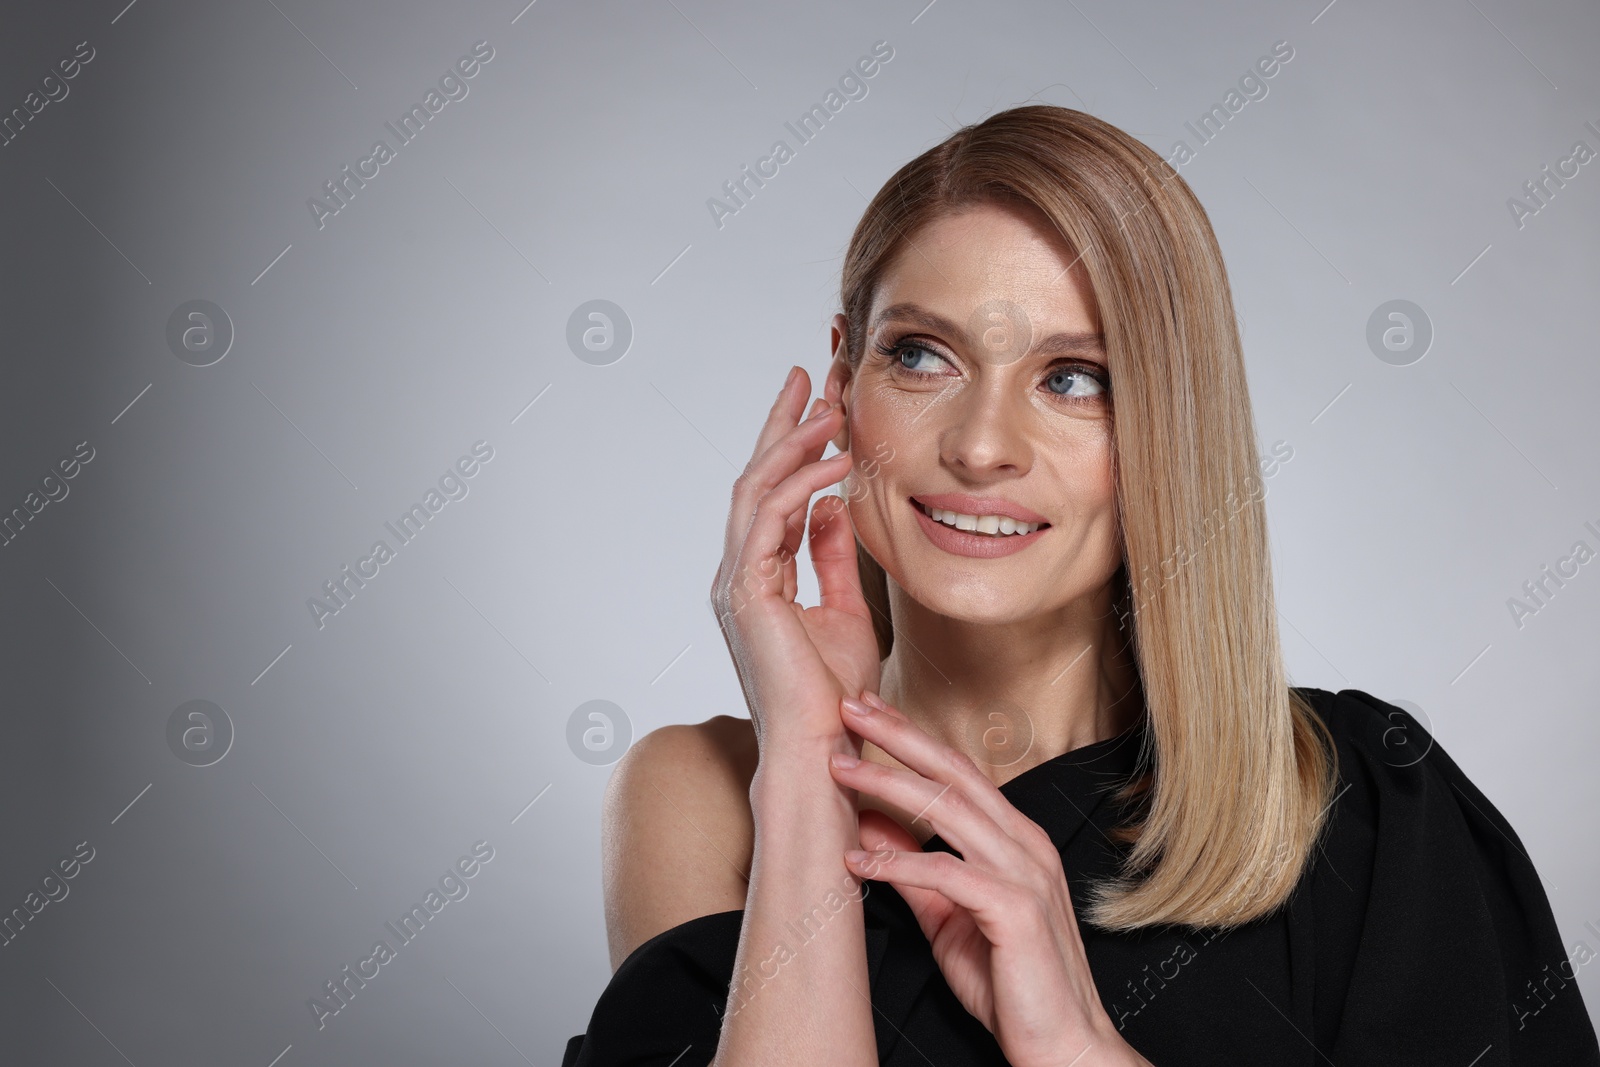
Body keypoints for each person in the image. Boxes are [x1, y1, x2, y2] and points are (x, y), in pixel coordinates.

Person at [560, 105, 1600, 1066]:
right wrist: (805, 763)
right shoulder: (700, 793)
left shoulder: (1367, 804)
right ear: (841, 385)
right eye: (921, 356)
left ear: (1168, 431)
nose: (978, 446)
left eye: (1073, 378)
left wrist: (1077, 1044)